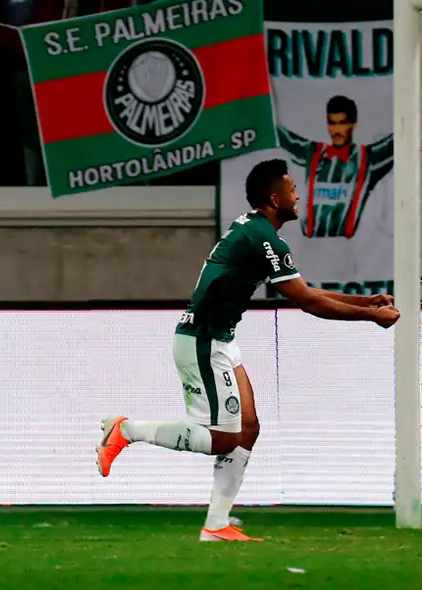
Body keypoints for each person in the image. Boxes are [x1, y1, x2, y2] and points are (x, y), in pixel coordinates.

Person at [95, 159, 400, 542]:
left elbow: (305, 291)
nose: (298, 195)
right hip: (202, 341)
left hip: (218, 339)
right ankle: (125, 430)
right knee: (223, 438)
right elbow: (307, 302)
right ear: (275, 198)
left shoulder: (255, 229)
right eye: (291, 190)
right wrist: (370, 318)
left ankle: (217, 524)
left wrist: (365, 303)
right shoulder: (264, 237)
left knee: (249, 428)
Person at [276, 95, 393, 239]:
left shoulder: (367, 157)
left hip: (346, 244)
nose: (336, 130)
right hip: (308, 243)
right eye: (332, 123)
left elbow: (399, 140)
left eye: (342, 123)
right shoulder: (313, 152)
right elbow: (282, 137)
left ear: (353, 124)